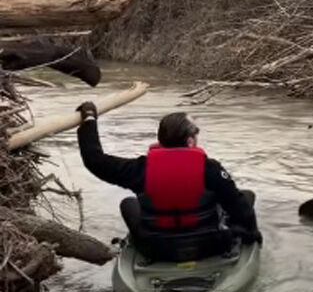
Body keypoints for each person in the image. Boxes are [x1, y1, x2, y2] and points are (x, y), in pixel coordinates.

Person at [75, 102, 261, 262]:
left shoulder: (140, 170)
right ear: (190, 141)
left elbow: (95, 161)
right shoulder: (210, 168)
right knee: (245, 196)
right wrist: (251, 234)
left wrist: (89, 119)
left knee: (128, 203)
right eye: (196, 133)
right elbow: (239, 206)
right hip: (210, 247)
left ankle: (139, 245)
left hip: (156, 248)